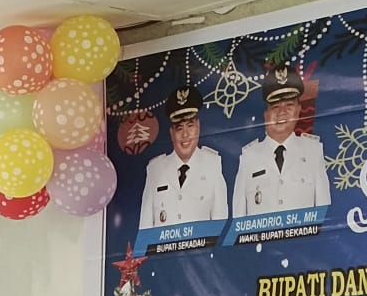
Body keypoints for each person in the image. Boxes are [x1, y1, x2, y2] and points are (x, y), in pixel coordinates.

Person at [232, 64, 331, 216]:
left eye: (289, 105)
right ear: (266, 114)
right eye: (275, 107)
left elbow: (323, 211)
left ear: (298, 110)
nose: (282, 112)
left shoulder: (313, 151)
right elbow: (239, 218)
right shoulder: (249, 157)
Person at [138, 85, 228, 228]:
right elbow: (145, 228)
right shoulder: (155, 169)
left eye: (190, 126)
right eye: (179, 128)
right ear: (171, 133)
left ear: (198, 127)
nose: (185, 135)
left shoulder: (212, 164)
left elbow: (220, 223)